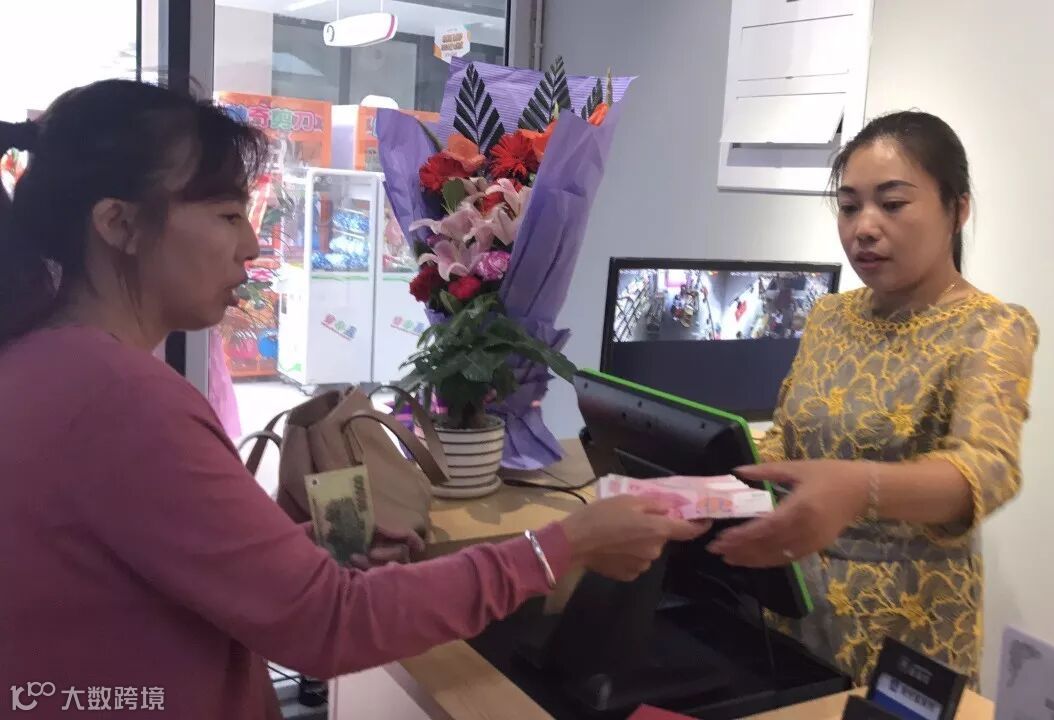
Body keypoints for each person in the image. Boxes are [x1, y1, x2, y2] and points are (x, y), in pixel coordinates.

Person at [0, 80, 705, 719]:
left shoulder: (45, 364)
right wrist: (565, 546)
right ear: (119, 224)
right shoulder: (120, 400)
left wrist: (288, 557)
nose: (252, 245)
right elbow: (329, 625)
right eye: (226, 214)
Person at [709, 111, 1039, 685]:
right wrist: (709, 471)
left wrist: (860, 488)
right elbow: (788, 438)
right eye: (849, 206)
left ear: (958, 209)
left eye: (892, 204)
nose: (864, 227)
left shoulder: (991, 327)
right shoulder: (830, 315)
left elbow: (987, 469)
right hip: (794, 607)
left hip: (907, 628)